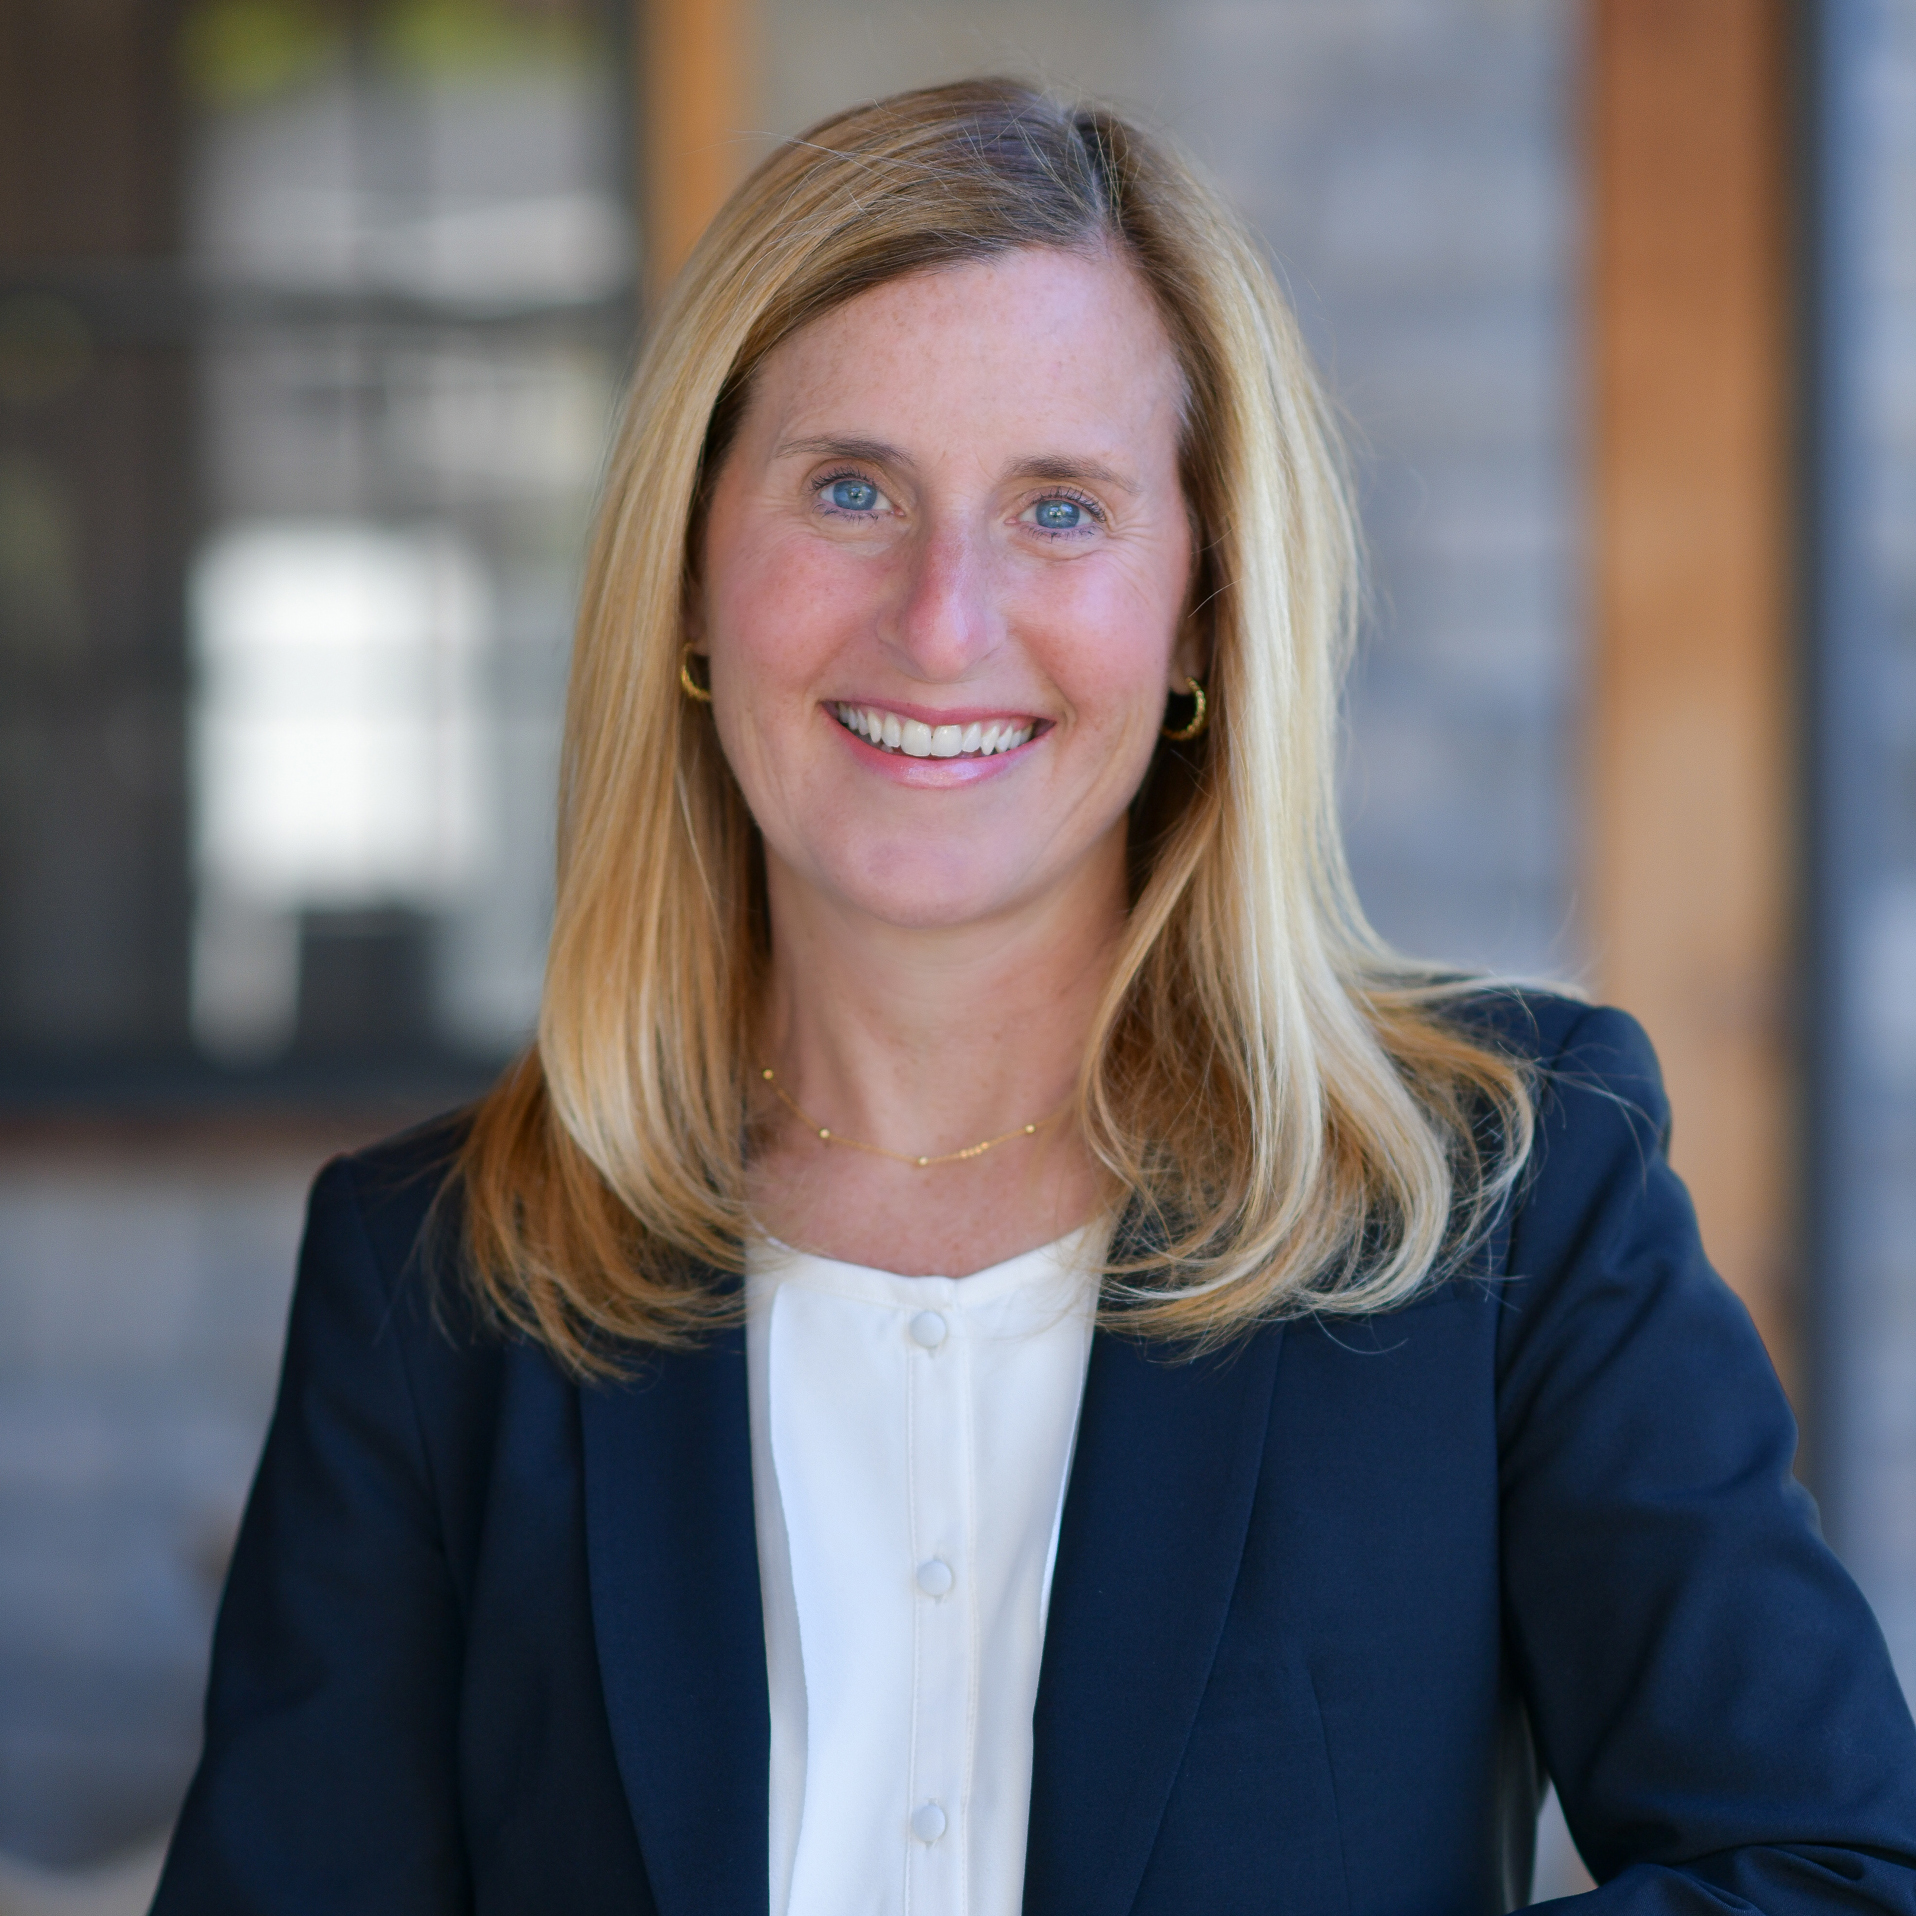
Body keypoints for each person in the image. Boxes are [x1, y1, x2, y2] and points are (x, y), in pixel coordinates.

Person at [152, 79, 1916, 1916]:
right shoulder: (436, 1274)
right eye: (851, 488)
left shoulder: (1503, 1197)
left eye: (1061, 511)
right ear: (685, 570)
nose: (941, 621)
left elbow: (1832, 1873)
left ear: (1198, 621)